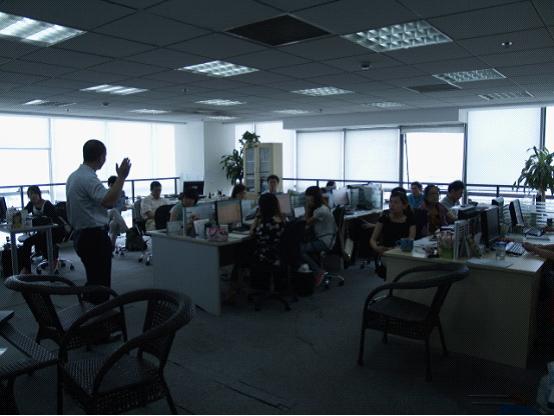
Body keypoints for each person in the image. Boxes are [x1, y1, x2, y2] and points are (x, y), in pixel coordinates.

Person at [66, 139, 131, 304]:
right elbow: (109, 201)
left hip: (81, 235)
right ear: (101, 157)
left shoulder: (73, 176)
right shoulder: (88, 178)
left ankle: (89, 311)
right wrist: (121, 177)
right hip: (93, 237)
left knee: (93, 280)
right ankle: (98, 316)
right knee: (101, 286)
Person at [20, 186, 63, 274]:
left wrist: (39, 221)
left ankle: (53, 259)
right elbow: (22, 214)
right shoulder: (31, 204)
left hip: (55, 231)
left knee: (40, 241)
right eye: (30, 194)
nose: (33, 196)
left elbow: (53, 220)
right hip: (42, 233)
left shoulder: (47, 204)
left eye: (34, 193)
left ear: (39, 194)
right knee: (27, 243)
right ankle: (27, 269)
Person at [249, 193, 286, 291]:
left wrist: (257, 217)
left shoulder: (266, 223)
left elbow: (252, 233)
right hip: (279, 254)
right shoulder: (281, 218)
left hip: (266, 256)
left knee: (241, 255)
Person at [300, 186, 337, 285]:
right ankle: (314, 272)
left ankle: (318, 272)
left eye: (308, 198)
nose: (307, 200)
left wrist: (307, 208)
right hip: (328, 239)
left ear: (313, 198)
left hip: (324, 241)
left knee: (300, 249)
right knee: (304, 243)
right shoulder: (324, 207)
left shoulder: (320, 211)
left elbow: (306, 223)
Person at [370, 190, 416, 255]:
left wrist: (396, 249)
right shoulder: (384, 218)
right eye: (390, 202)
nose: (392, 205)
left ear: (404, 206)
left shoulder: (410, 219)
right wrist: (376, 248)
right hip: (385, 252)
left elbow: (411, 239)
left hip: (402, 253)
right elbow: (373, 239)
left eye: (396, 202)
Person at [107, 175, 129, 250]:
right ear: (110, 185)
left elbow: (122, 205)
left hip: (116, 218)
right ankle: (127, 231)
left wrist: (123, 207)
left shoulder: (121, 192)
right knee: (114, 210)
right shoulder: (106, 193)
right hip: (106, 216)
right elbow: (107, 207)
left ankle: (111, 246)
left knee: (114, 224)